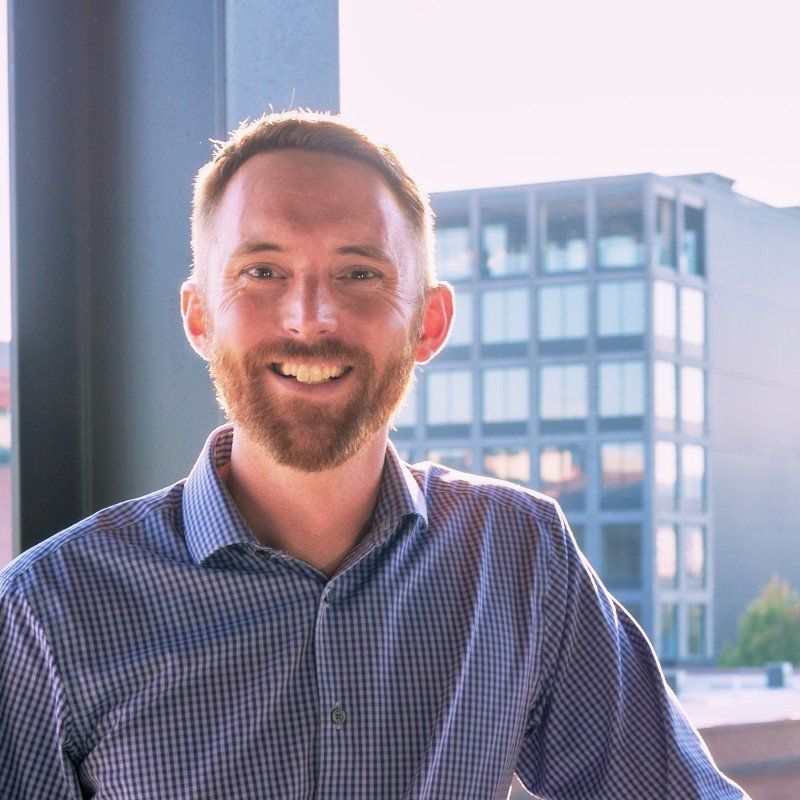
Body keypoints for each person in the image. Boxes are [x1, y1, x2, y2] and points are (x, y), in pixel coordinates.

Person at [0, 110, 749, 799]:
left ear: (429, 322)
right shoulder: (47, 610)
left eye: (359, 273)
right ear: (200, 317)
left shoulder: (518, 558)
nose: (310, 317)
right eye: (262, 272)